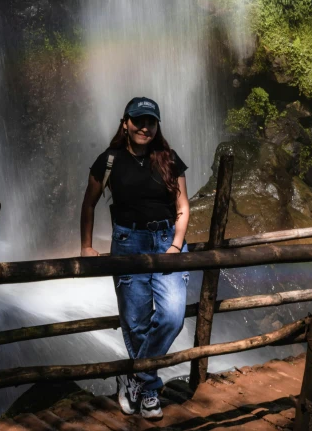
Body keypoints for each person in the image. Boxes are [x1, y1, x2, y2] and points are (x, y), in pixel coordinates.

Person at [80, 96, 190, 420]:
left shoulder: (169, 159)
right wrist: (86, 246)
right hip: (128, 244)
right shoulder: (109, 160)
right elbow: (89, 203)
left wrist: (175, 245)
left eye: (151, 122)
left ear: (157, 126)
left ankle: (135, 377)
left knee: (171, 315)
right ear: (125, 122)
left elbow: (183, 207)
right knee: (136, 323)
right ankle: (151, 392)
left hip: (167, 240)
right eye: (139, 121)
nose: (145, 127)